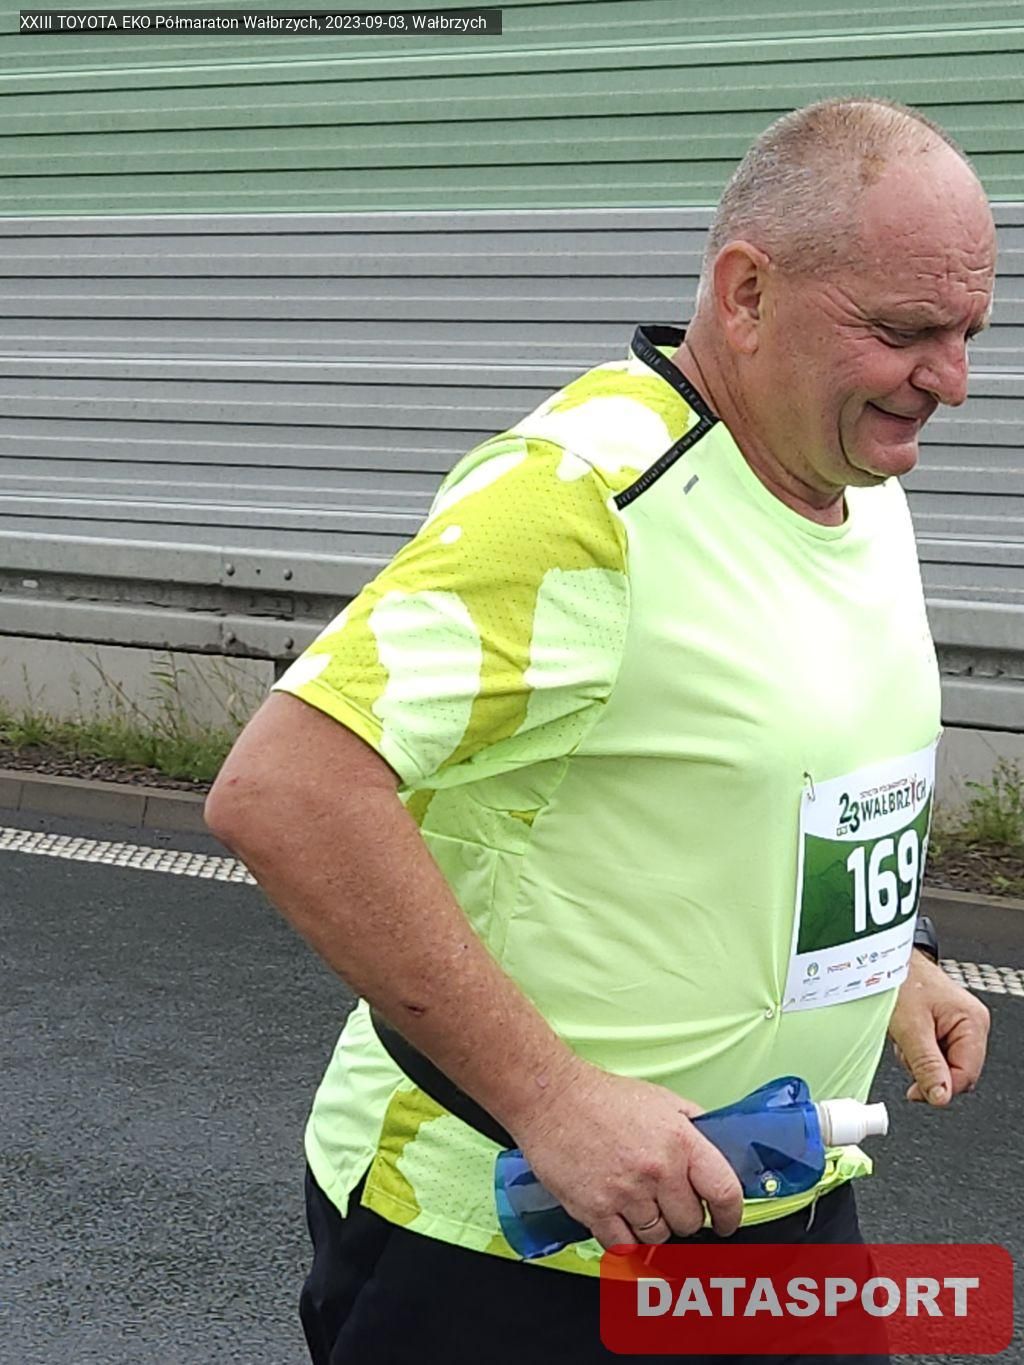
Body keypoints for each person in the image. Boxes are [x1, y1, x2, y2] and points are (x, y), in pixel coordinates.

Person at [205, 97, 994, 1364]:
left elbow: (763, 773)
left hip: (782, 1210)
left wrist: (882, 957)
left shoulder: (850, 477)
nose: (948, 381)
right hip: (510, 1247)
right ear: (746, 293)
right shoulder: (583, 498)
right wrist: (552, 1099)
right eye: (904, 332)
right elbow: (287, 789)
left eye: (967, 334)